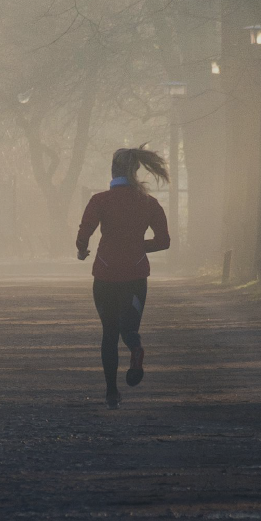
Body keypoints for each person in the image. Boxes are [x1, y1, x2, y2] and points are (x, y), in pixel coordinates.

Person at [75, 146, 170, 409]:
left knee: (109, 333)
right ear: (136, 171)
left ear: (113, 171)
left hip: (105, 274)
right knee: (129, 329)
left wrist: (82, 251)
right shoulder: (149, 203)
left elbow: (85, 233)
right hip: (136, 274)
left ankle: (112, 394)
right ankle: (136, 348)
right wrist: (139, 247)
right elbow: (164, 241)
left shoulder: (100, 201)